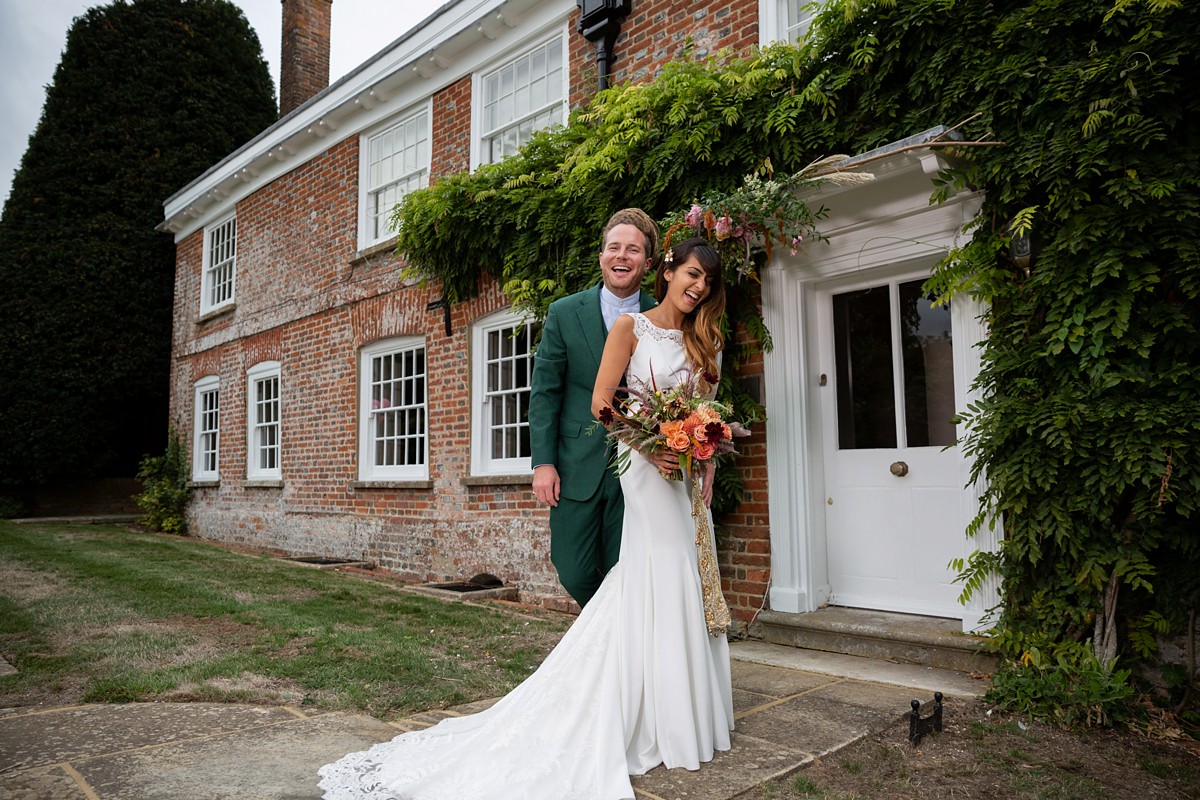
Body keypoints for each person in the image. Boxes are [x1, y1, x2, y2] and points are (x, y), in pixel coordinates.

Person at [317, 237, 734, 800]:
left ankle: (679, 712)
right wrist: (649, 444)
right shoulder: (628, 330)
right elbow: (602, 404)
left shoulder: (702, 337)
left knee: (681, 575)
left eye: (706, 281)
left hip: (683, 479)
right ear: (666, 271)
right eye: (690, 274)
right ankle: (644, 704)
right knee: (654, 572)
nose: (697, 287)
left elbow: (708, 409)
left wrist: (704, 454)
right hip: (644, 468)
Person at [528, 208, 660, 607]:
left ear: (647, 262)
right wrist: (543, 463)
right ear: (601, 256)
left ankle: (620, 654)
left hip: (641, 466)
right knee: (574, 567)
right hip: (575, 464)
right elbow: (545, 392)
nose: (622, 256)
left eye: (633, 250)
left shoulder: (663, 316)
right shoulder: (565, 313)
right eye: (614, 247)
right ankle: (606, 630)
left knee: (630, 567)